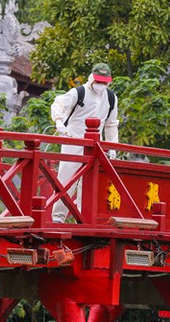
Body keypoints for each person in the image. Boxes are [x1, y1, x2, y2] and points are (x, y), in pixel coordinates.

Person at [49, 63, 120, 222]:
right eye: (98, 81)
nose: (101, 85)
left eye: (104, 82)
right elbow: (59, 103)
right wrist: (59, 121)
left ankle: (83, 219)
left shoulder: (110, 98)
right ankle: (58, 218)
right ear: (92, 78)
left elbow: (111, 124)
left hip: (96, 146)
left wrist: (112, 146)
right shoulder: (79, 92)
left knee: (89, 184)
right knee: (66, 182)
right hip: (73, 142)